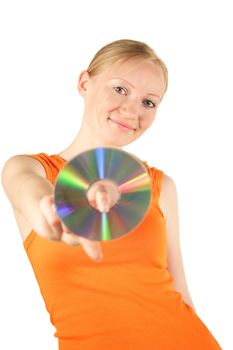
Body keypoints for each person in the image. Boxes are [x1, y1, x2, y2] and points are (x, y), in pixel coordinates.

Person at [1, 39, 222, 349]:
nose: (132, 110)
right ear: (84, 83)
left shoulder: (160, 186)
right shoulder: (33, 169)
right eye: (120, 89)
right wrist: (50, 207)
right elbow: (26, 188)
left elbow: (181, 293)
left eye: (149, 102)